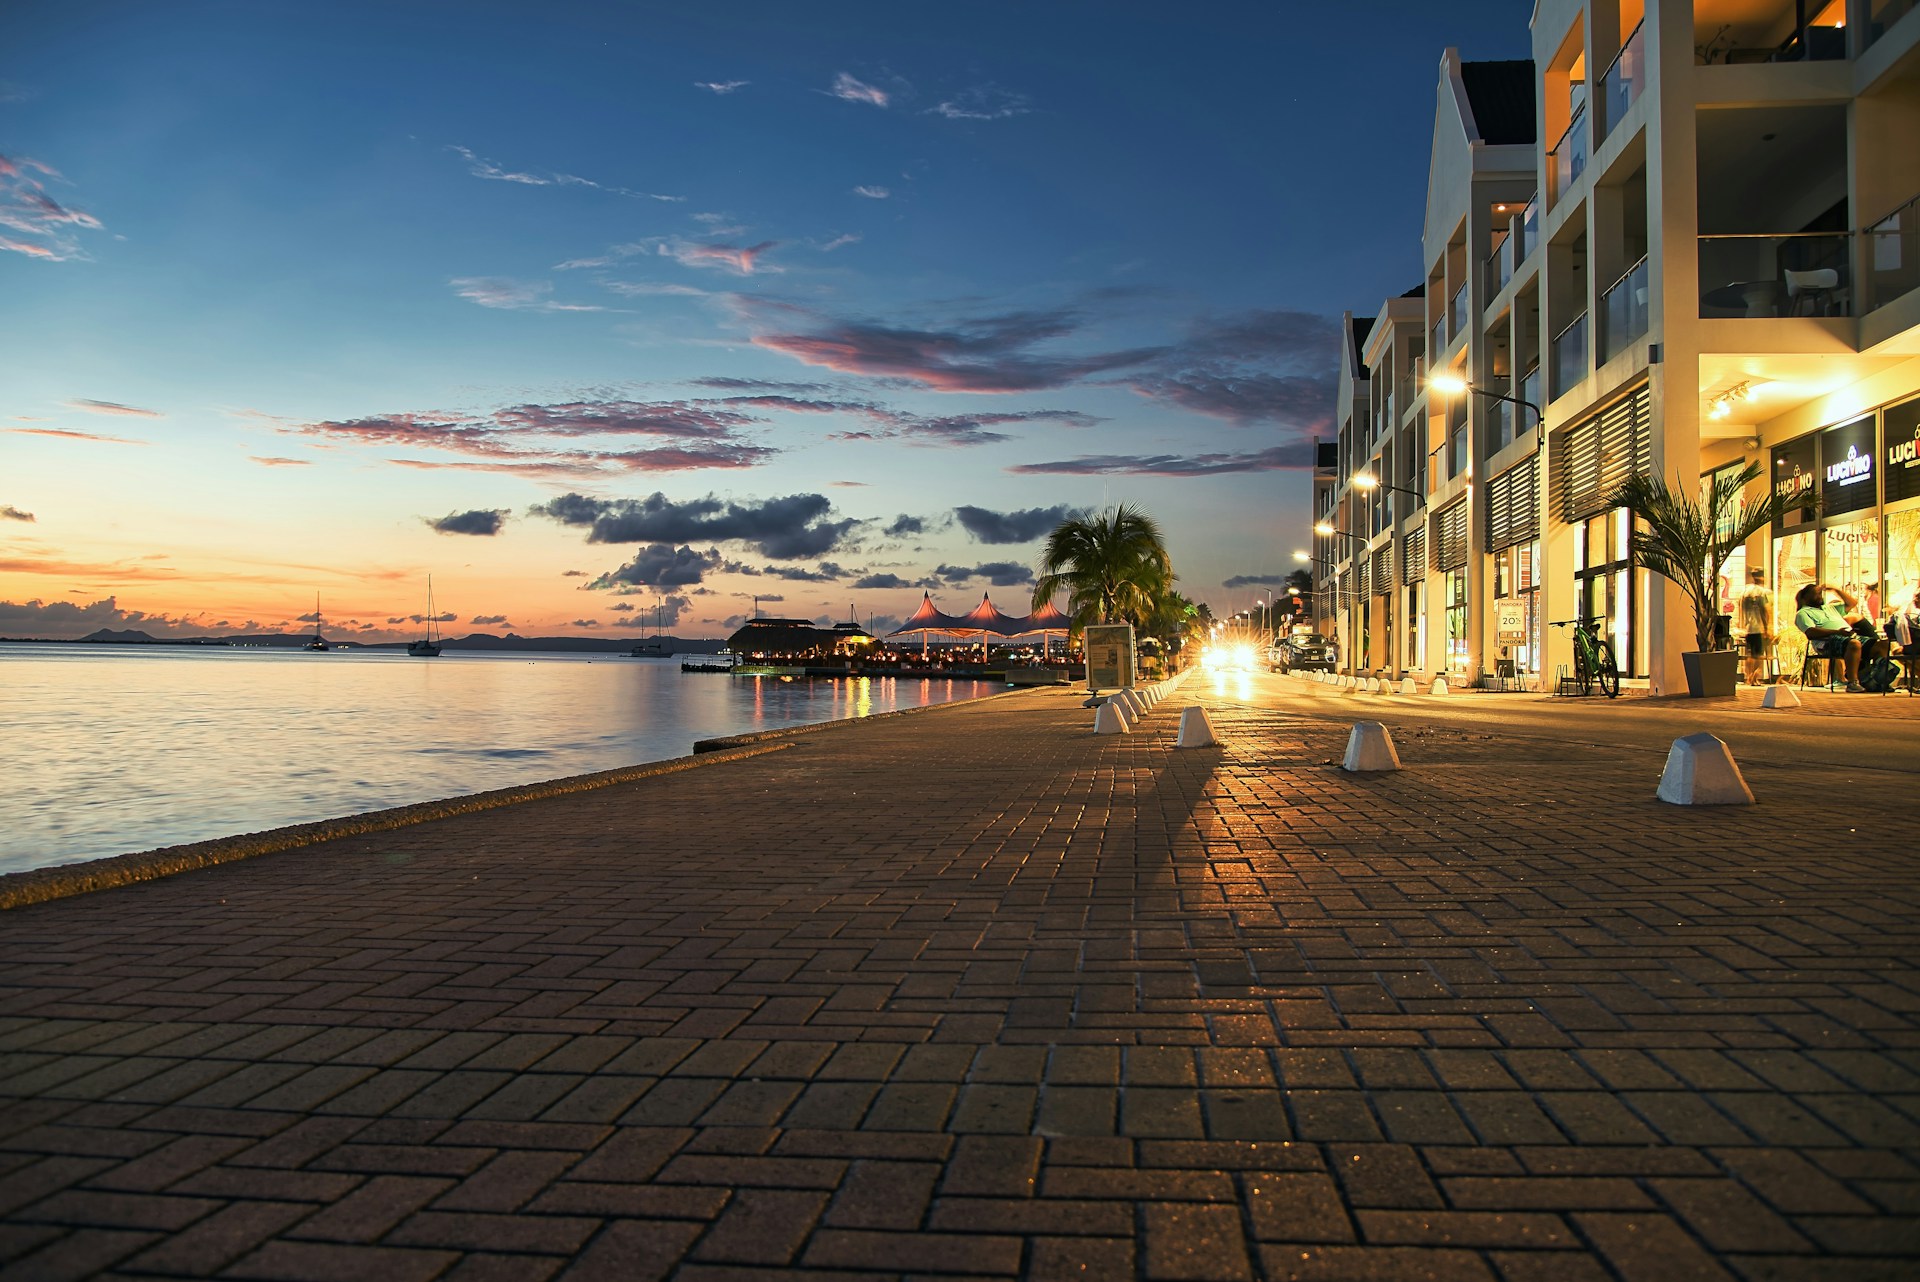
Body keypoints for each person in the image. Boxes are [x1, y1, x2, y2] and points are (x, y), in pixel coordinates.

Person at [1794, 583, 1863, 691]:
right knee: (1854, 644)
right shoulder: (1803, 613)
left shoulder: (1830, 608)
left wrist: (1835, 589)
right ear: (1805, 598)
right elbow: (1810, 632)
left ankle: (1876, 680)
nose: (1820, 596)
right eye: (1816, 594)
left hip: (1848, 636)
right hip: (1826, 642)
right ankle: (1852, 683)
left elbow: (1852, 603)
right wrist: (1837, 632)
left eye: (1820, 593)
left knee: (1880, 645)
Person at [1733, 567, 1772, 685]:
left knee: (1750, 654)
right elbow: (1765, 610)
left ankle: (1748, 677)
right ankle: (1754, 678)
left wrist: (1741, 623)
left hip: (1748, 627)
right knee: (1758, 655)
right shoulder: (1762, 592)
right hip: (1758, 627)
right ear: (1762, 577)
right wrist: (1767, 627)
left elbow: (1740, 608)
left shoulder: (1745, 592)